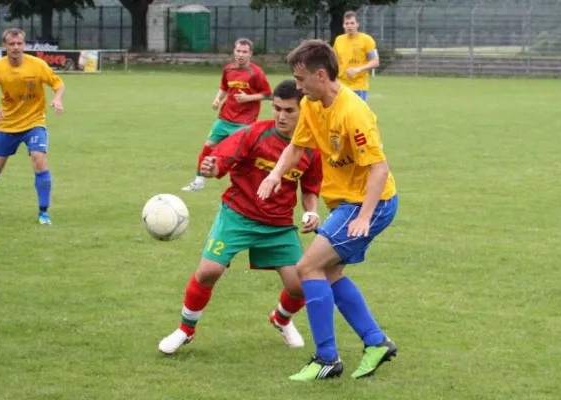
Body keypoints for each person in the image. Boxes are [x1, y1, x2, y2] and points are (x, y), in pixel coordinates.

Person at [257, 39, 398, 381]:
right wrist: (275, 174)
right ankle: (376, 342)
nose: (298, 86)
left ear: (321, 75)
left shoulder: (354, 112)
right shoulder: (311, 104)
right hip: (346, 202)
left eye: (301, 78)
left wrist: (364, 216)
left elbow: (379, 169)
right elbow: (297, 146)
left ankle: (326, 359)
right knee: (329, 273)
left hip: (370, 202)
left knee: (307, 268)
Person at [159, 80, 323, 355]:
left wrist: (311, 211)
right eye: (277, 109)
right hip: (238, 215)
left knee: (300, 286)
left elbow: (309, 188)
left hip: (278, 225)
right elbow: (220, 160)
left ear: (304, 110)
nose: (281, 116)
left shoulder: (312, 148)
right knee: (209, 271)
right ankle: (185, 330)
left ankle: (281, 319)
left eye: (289, 111)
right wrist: (211, 168)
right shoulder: (255, 133)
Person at [0, 28, 64, 224]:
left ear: (24, 45)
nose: (15, 47)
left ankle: (43, 212)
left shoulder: (37, 65)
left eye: (19, 43)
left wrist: (57, 98)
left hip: (34, 122)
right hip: (8, 124)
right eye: (11, 44)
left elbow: (58, 83)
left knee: (39, 160)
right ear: (4, 46)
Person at [182, 38, 272, 192]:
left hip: (245, 122)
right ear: (234, 51)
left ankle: (251, 185)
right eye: (238, 51)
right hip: (224, 119)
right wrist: (218, 99)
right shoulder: (228, 69)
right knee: (208, 147)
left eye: (244, 52)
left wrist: (247, 98)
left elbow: (268, 94)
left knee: (242, 157)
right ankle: (199, 181)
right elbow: (224, 87)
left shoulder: (256, 73)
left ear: (250, 54)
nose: (241, 55)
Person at [332, 11, 379, 102]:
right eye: (347, 23)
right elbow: (334, 60)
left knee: (356, 115)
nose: (350, 26)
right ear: (343, 25)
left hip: (358, 86)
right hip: (341, 86)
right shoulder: (339, 40)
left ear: (357, 24)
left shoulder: (367, 40)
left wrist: (359, 69)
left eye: (352, 23)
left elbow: (375, 61)